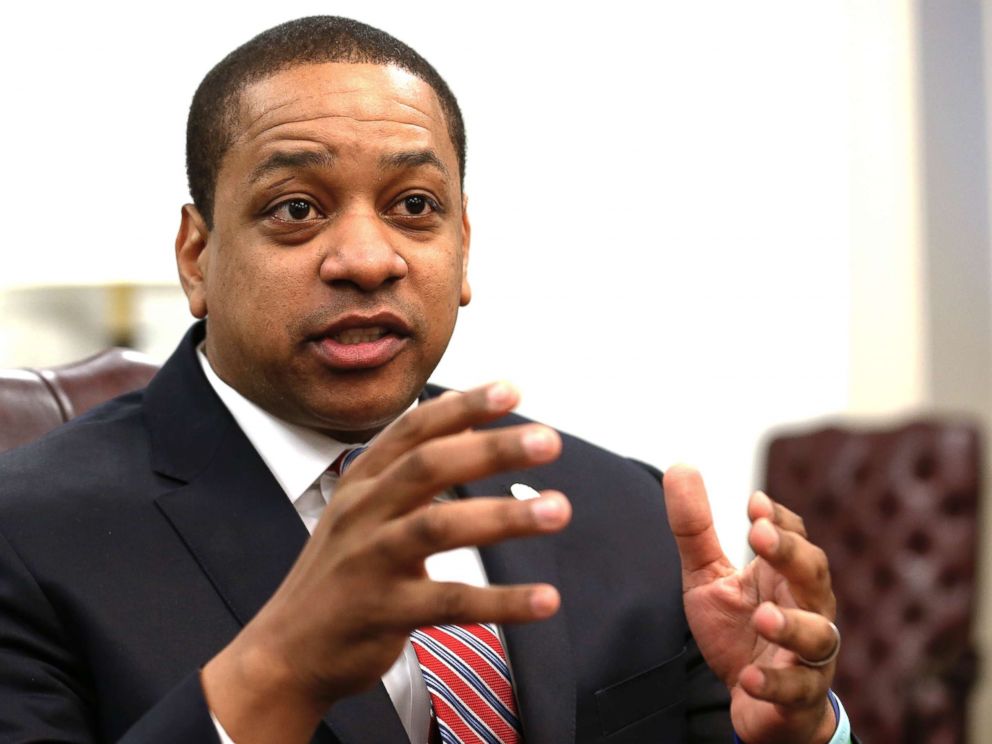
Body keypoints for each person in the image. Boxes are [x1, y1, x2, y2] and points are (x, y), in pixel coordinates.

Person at [0, 16, 853, 744]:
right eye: (296, 209)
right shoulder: (26, 539)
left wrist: (803, 729)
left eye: (414, 206)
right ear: (198, 255)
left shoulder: (623, 513)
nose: (368, 260)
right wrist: (276, 674)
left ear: (464, 245)